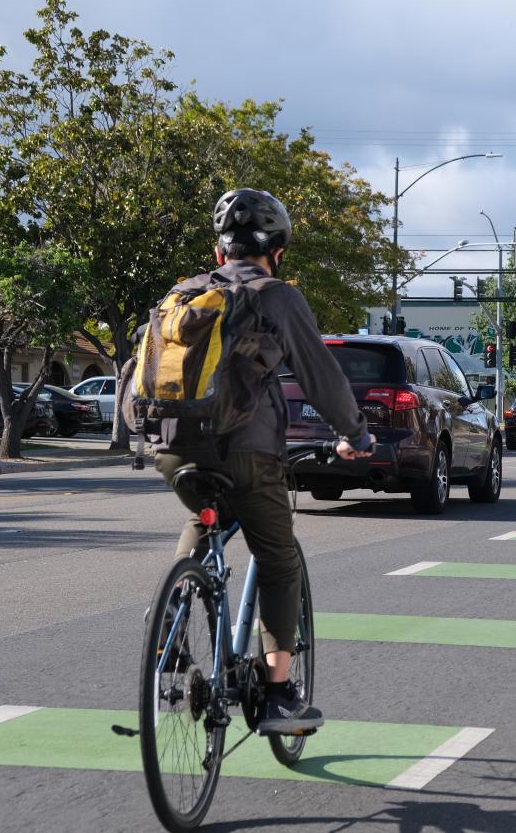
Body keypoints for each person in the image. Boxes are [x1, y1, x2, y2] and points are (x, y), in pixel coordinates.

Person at [153, 188, 375, 735]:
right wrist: (355, 434)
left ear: (219, 246)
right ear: (277, 250)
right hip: (249, 452)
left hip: (173, 448)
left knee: (200, 518)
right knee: (280, 563)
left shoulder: (181, 294)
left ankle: (170, 632)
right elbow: (322, 377)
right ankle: (278, 696)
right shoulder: (279, 297)